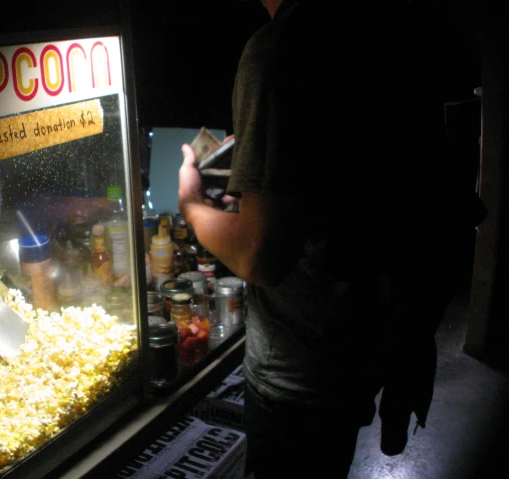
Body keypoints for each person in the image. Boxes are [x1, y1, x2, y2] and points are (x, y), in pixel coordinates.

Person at [177, 0, 484, 477]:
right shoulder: (387, 28)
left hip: (300, 367)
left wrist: (193, 205)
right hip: (365, 344)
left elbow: (261, 253)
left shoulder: (276, 50)